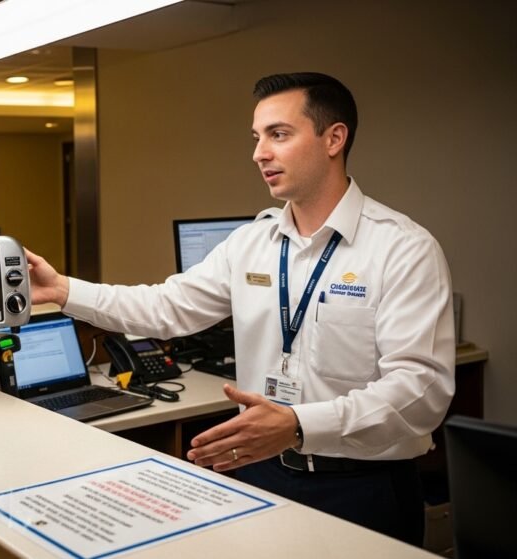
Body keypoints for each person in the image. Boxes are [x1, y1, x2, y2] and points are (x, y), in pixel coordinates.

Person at [24, 72, 454, 546]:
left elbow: (421, 391)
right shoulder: (252, 242)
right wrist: (62, 289)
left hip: (362, 486)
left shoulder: (402, 248)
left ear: (334, 139)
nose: (259, 153)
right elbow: (165, 307)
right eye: (257, 137)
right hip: (260, 471)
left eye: (279, 134)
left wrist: (298, 425)